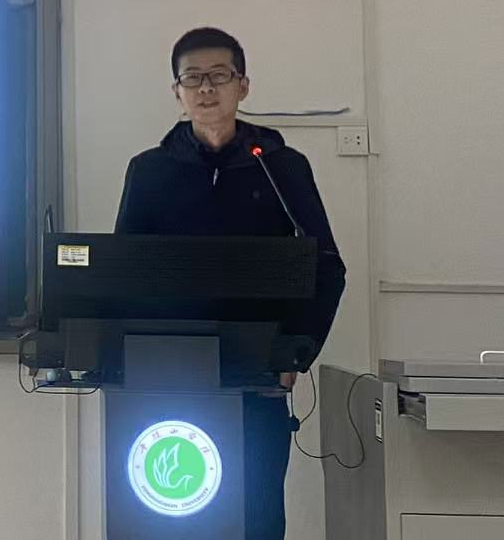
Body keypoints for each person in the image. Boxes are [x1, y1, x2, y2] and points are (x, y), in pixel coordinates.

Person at [114, 26, 346, 540]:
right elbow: (123, 271)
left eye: (219, 75)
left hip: (257, 372)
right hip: (168, 371)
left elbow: (327, 266)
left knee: (256, 512)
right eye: (192, 78)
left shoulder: (281, 167)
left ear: (243, 85)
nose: (205, 88)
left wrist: (295, 353)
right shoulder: (149, 171)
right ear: (176, 91)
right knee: (163, 516)